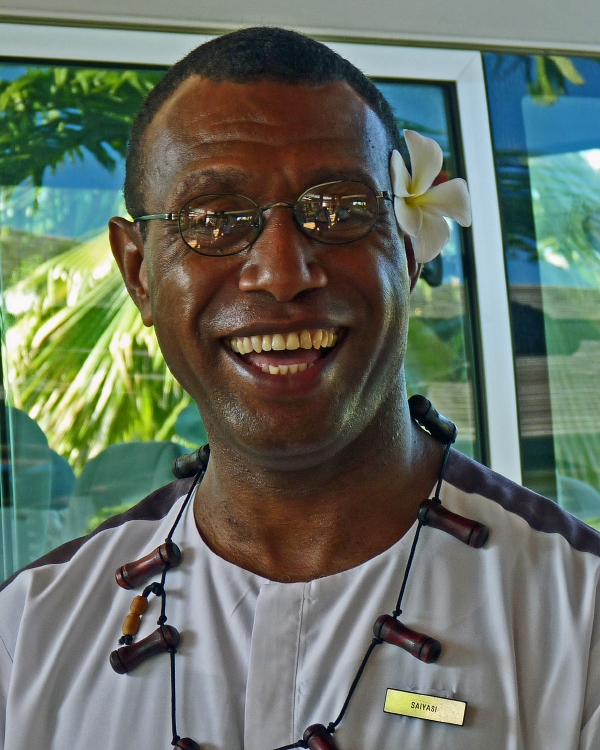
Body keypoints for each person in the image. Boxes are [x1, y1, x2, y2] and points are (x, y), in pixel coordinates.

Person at [1, 26, 599, 750]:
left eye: (339, 211)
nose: (283, 274)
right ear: (138, 273)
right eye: (213, 221)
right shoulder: (27, 635)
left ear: (407, 254)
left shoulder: (579, 621)